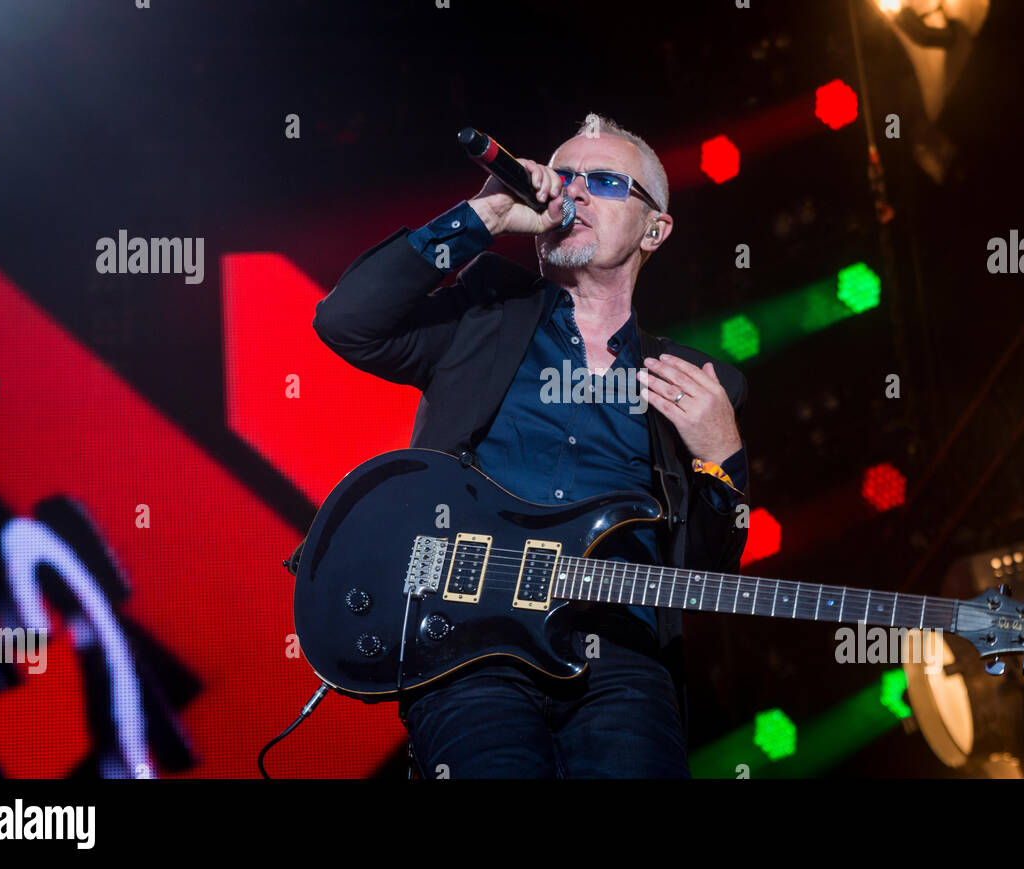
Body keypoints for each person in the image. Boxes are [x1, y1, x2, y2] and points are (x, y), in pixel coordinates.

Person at [312, 114, 750, 777]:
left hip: (623, 663)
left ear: (655, 228)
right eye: (564, 176)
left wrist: (725, 461)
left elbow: (706, 578)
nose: (573, 191)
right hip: (470, 646)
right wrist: (483, 214)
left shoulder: (693, 382)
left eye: (602, 180)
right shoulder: (483, 311)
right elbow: (346, 320)